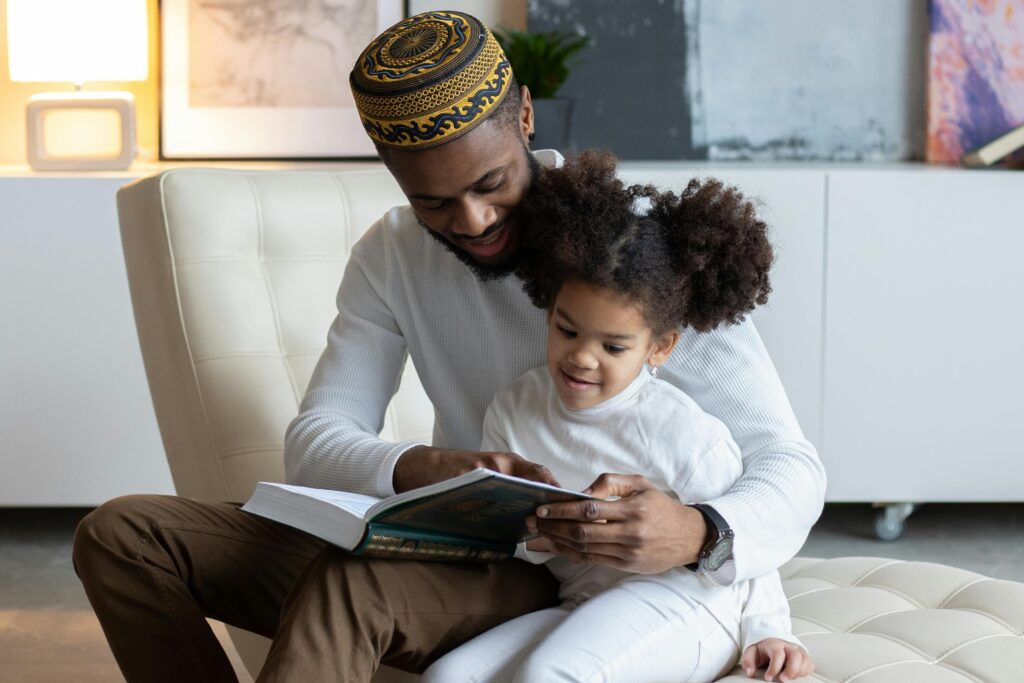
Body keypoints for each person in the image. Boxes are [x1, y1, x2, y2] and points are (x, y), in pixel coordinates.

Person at [72, 10, 825, 682]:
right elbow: (316, 440)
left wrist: (699, 532)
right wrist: (421, 467)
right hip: (448, 542)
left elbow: (789, 466)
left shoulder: (632, 254)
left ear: (525, 114)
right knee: (123, 535)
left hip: (560, 574)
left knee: (351, 584)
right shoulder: (391, 255)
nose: (470, 220)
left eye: (491, 182)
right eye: (431, 199)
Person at [423, 150, 814, 683]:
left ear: (658, 348)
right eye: (566, 331)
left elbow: (743, 541)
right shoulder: (513, 410)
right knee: (449, 677)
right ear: (548, 310)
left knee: (549, 673)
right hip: (584, 603)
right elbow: (523, 548)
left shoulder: (679, 427)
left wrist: (773, 629)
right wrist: (534, 535)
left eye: (613, 346)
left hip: (690, 603)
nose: (582, 357)